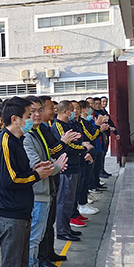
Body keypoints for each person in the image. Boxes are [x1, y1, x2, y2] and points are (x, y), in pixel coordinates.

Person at [0, 97, 54, 267]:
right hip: (9, 213)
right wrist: (36, 176)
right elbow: (10, 179)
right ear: (15, 119)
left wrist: (36, 172)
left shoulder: (18, 140)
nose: (32, 119)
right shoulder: (5, 142)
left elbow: (22, 173)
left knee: (20, 265)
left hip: (20, 210)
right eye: (29, 115)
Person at [22, 97, 68, 267]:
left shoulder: (37, 133)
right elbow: (38, 166)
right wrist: (55, 166)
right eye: (31, 112)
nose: (37, 115)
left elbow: (45, 161)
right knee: (32, 239)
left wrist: (52, 165)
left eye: (40, 110)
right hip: (36, 194)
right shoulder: (26, 138)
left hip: (45, 191)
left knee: (38, 237)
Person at [52, 101, 88, 242]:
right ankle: (62, 230)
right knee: (64, 200)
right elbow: (68, 146)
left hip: (74, 165)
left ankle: (66, 227)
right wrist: (84, 148)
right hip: (66, 167)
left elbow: (78, 139)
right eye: (72, 110)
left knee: (70, 200)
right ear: (66, 111)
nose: (74, 113)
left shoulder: (69, 125)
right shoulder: (58, 126)